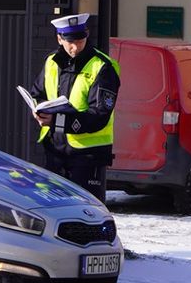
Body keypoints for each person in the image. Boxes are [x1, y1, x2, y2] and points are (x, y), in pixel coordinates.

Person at [28, 13, 121, 202]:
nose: (75, 46)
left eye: (80, 40)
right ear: (59, 39)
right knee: (52, 209)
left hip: (88, 155)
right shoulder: (52, 62)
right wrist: (38, 110)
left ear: (86, 35)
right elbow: (38, 93)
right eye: (70, 41)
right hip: (55, 150)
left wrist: (57, 121)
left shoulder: (102, 67)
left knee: (86, 210)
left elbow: (99, 115)